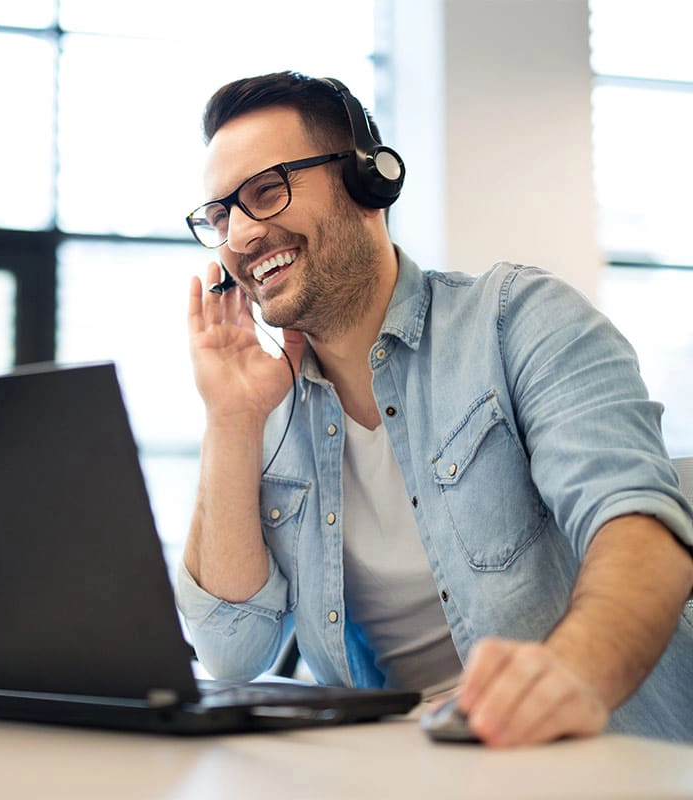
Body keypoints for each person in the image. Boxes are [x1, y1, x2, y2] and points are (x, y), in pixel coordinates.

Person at [176, 71, 693, 747]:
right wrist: (231, 422)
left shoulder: (518, 322)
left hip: (582, 754)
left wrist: (576, 674)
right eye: (219, 216)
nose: (239, 236)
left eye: (266, 192)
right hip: (391, 768)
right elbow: (230, 652)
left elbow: (640, 530)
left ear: (369, 182)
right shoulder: (265, 408)